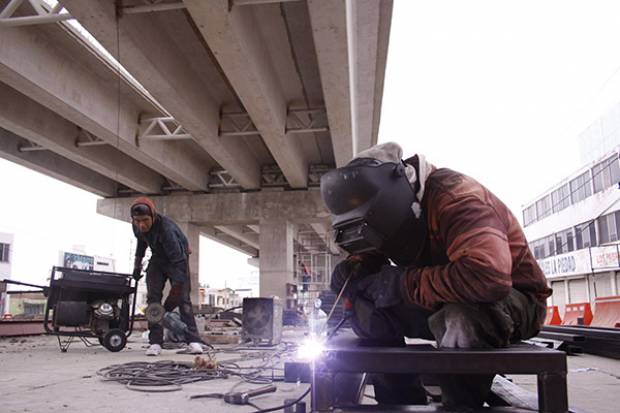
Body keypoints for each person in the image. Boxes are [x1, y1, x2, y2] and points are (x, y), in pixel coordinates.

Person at [321, 142, 552, 408]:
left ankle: (460, 405)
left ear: (396, 194)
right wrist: (355, 269)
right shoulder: (398, 209)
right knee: (367, 307)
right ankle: (402, 403)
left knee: (462, 315)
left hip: (512, 302)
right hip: (441, 298)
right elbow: (374, 251)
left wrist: (402, 284)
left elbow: (488, 277)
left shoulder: (457, 196)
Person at [130, 196, 203, 356]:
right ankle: (155, 342)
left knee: (183, 300)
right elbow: (141, 244)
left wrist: (176, 290)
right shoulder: (136, 227)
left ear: (153, 216)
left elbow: (179, 261)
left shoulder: (166, 229)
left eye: (145, 220)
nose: (141, 224)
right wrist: (137, 266)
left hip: (178, 258)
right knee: (153, 300)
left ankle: (193, 341)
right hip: (157, 257)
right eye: (137, 221)